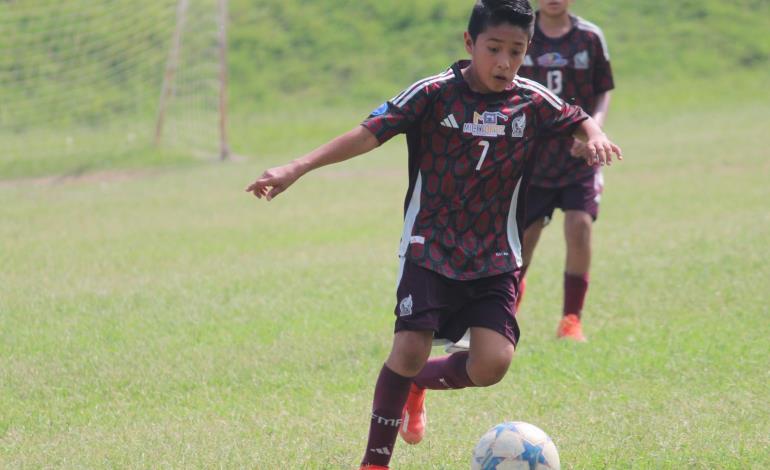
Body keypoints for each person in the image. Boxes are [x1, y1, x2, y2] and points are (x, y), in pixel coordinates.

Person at [245, 1, 621, 468]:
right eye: (494, 49)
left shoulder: (531, 99)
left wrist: (594, 136)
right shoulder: (434, 93)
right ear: (470, 43)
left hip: (495, 254)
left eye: (517, 52)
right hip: (431, 245)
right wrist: (297, 167)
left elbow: (576, 115)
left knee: (492, 364)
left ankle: (420, 383)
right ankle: (374, 462)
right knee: (408, 347)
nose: (505, 63)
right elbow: (368, 133)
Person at [515, 0, 615, 341]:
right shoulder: (520, 34)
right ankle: (505, 311)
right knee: (524, 238)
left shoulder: (589, 36)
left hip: (579, 157)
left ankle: (571, 319)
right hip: (531, 158)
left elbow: (603, 90)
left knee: (580, 226)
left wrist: (594, 133)